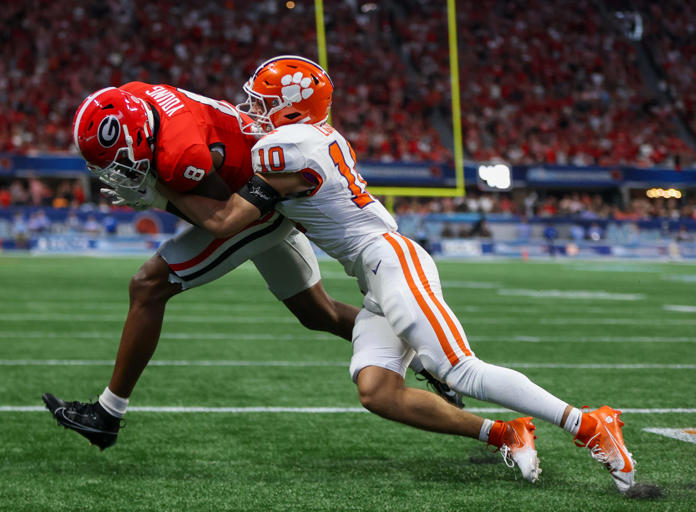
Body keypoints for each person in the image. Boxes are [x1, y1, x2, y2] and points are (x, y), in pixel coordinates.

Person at [166, 55, 636, 493]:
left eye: (264, 103)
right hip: (373, 276)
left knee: (458, 369)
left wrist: (162, 179)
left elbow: (224, 218)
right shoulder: (303, 139)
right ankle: (506, 433)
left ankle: (589, 423)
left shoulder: (289, 148)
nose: (253, 111)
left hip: (390, 259)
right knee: (378, 391)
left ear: (292, 110)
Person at [43, 82, 458, 451]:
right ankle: (426, 354)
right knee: (318, 313)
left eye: (118, 160)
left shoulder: (180, 153)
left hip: (253, 204)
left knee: (149, 285)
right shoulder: (138, 101)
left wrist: (157, 197)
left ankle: (108, 413)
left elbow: (218, 219)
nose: (115, 172)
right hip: (256, 187)